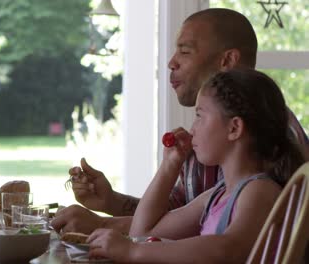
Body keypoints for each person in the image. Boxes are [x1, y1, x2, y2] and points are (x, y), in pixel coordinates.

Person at [50, 8, 309, 235]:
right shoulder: (208, 140)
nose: (171, 62)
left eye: (184, 51)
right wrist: (111, 201)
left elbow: (224, 240)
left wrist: (103, 226)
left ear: (228, 61)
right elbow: (173, 218)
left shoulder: (270, 139)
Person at [86, 69, 305, 262]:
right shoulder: (217, 195)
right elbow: (142, 231)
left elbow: (228, 249)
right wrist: (169, 166)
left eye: (200, 116)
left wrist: (134, 252)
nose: (192, 129)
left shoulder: (260, 190)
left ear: (234, 128)